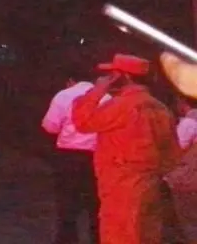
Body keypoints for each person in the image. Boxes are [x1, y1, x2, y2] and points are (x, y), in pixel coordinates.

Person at [72, 54, 182, 244]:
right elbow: (172, 155)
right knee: (148, 236)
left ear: (124, 76)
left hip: (121, 188)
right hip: (150, 186)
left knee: (119, 236)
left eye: (112, 74)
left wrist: (98, 90)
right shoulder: (161, 108)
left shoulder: (122, 106)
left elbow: (82, 121)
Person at [41, 67, 105, 244]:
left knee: (67, 204)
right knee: (96, 206)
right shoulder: (106, 98)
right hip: (97, 157)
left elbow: (50, 125)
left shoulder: (64, 95)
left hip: (69, 156)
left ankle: (67, 240)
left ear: (70, 80)